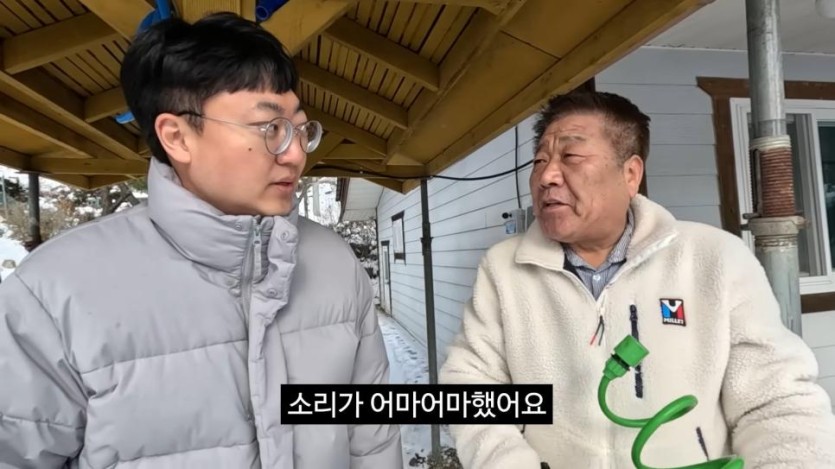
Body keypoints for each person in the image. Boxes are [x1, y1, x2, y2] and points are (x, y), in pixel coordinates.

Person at [0, 12, 401, 469]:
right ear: (177, 137)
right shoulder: (52, 293)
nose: (294, 154)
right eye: (270, 128)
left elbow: (372, 438)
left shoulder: (333, 263)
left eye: (300, 129)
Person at [439, 91, 835, 468]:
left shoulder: (715, 258)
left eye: (570, 156)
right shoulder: (504, 269)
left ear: (630, 174)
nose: (547, 176)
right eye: (540, 161)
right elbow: (472, 387)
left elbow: (776, 402)